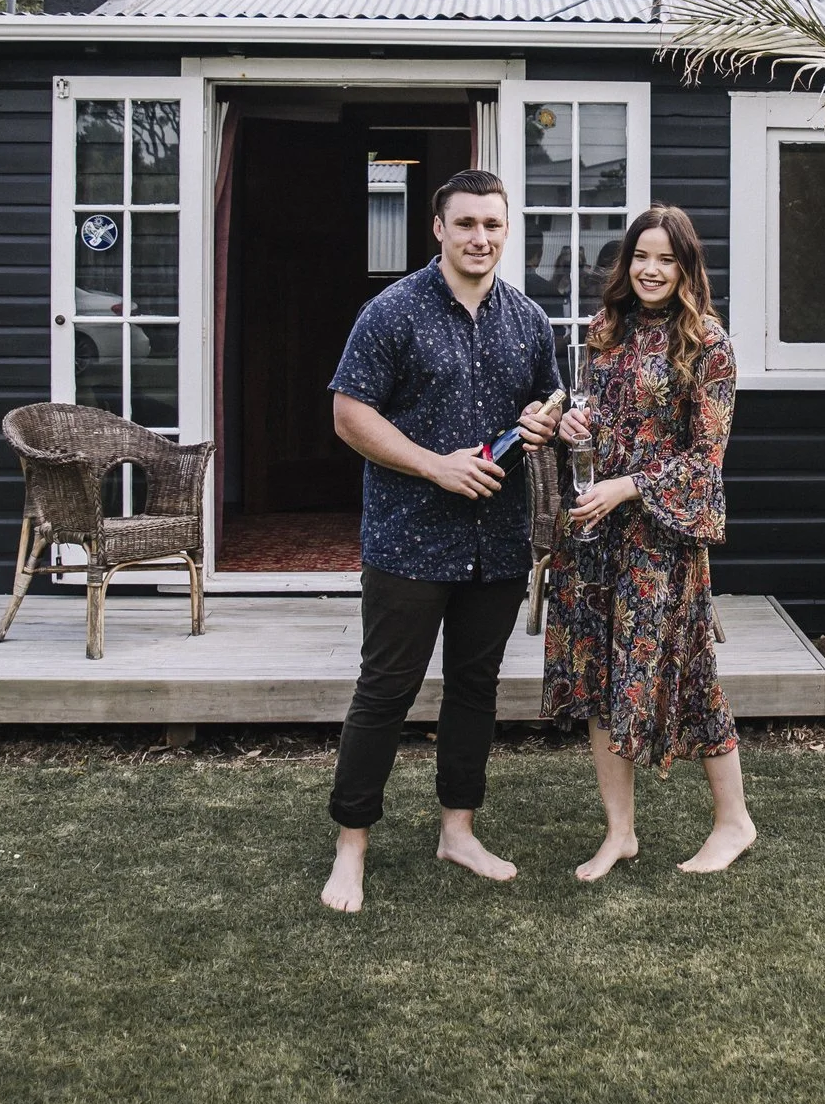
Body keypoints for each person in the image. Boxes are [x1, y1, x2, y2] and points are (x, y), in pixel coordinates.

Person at [319, 167, 561, 914]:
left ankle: (459, 831)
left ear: (507, 229)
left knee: (474, 689)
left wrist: (547, 421)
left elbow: (546, 404)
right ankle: (351, 846)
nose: (480, 237)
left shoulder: (530, 321)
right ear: (439, 228)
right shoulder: (391, 312)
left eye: (492, 224)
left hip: (497, 542)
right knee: (386, 690)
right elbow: (349, 414)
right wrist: (434, 465)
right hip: (409, 539)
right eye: (466, 224)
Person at [544, 204, 756, 878]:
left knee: (692, 673)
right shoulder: (605, 331)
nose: (651, 269)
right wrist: (573, 426)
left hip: (661, 542)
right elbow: (594, 417)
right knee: (600, 677)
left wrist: (629, 486)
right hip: (594, 534)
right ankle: (620, 833)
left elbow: (706, 461)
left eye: (666, 258)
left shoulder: (710, 344)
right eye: (641, 256)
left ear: (686, 266)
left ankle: (734, 821)